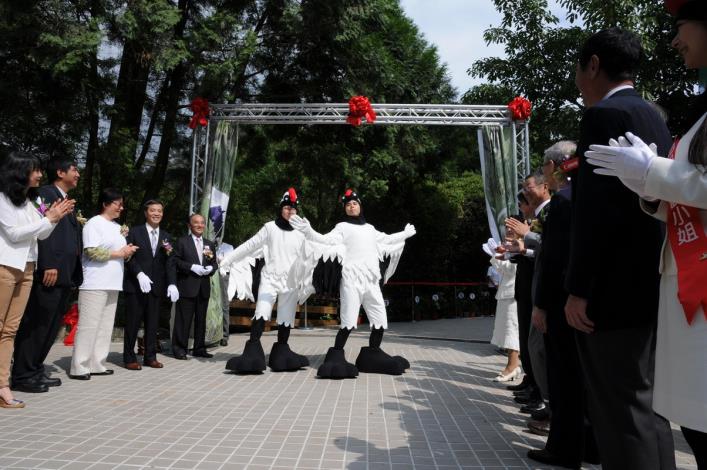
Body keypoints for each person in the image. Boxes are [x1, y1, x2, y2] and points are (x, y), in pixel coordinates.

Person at [585, 2, 707, 466]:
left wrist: (656, 172)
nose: (676, 40)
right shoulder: (695, 111)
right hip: (688, 289)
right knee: (690, 424)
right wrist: (650, 189)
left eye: (682, 26)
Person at [565, 28, 676, 470]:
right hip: (652, 278)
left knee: (618, 410)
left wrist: (579, 288)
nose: (577, 80)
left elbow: (594, 213)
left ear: (593, 65)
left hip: (609, 290)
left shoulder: (601, 118)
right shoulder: (653, 115)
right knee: (648, 406)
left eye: (578, 69)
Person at [290, 189, 415, 378]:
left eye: (354, 203)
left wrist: (404, 234)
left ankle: (373, 354)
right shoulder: (342, 227)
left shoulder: (370, 229)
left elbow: (388, 239)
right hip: (351, 281)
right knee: (348, 322)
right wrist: (309, 231)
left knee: (380, 320)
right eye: (348, 204)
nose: (351, 206)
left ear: (360, 206)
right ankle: (335, 356)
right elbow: (325, 240)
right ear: (345, 209)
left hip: (371, 280)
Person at [527, 141, 599, 468]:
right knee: (585, 377)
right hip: (584, 299)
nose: (545, 175)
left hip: (560, 302)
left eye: (544, 168)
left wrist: (540, 304)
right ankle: (591, 445)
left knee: (563, 378)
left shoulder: (564, 202)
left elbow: (554, 259)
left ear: (555, 167)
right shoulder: (589, 196)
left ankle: (564, 447)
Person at [0, 151, 73, 408]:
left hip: (27, 269)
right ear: (20, 172)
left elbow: (40, 236)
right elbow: (14, 233)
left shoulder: (29, 202)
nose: (40, 175)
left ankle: (2, 387)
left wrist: (52, 219)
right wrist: (49, 219)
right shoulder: (3, 200)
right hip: (6, 267)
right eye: (35, 170)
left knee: (9, 330)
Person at [12, 158, 82, 393]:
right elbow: (45, 230)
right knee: (38, 323)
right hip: (51, 271)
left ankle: (35, 368)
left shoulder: (64, 199)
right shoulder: (45, 194)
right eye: (74, 170)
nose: (78, 174)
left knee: (51, 326)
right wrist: (48, 263)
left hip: (65, 273)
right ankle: (22, 373)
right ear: (60, 172)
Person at [221, 188, 310, 373]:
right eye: (287, 208)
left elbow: (312, 253)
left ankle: (282, 352)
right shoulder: (270, 228)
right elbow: (250, 245)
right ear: (281, 209)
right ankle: (252, 350)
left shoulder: (302, 232)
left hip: (291, 281)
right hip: (270, 278)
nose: (290, 211)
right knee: (261, 312)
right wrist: (227, 260)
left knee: (286, 318)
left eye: (293, 209)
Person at [69, 188, 137, 380]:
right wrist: (119, 253)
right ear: (105, 204)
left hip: (113, 282)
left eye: (122, 205)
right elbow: (91, 252)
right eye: (118, 204)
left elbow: (120, 252)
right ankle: (79, 365)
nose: (121, 208)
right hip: (94, 282)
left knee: (105, 326)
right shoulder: (94, 223)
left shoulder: (117, 227)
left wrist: (128, 251)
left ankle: (97, 363)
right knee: (89, 325)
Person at [122, 200, 179, 370]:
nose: (156, 214)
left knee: (153, 323)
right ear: (146, 213)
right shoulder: (134, 232)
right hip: (136, 284)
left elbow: (170, 262)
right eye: (153, 210)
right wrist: (139, 274)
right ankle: (129, 357)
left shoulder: (166, 236)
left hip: (156, 287)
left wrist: (172, 284)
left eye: (159, 211)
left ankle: (150, 356)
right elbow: (128, 257)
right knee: (133, 322)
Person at [171, 214, 218, 360]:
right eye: (196, 223)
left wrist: (211, 269)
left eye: (202, 223)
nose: (199, 225)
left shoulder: (209, 244)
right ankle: (179, 348)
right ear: (189, 225)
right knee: (183, 320)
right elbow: (175, 261)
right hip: (187, 286)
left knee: (201, 320)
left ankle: (199, 348)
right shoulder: (182, 242)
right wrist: (191, 267)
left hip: (203, 287)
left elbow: (214, 263)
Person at [486, 245, 520, 382]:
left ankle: (511, 367)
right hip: (505, 293)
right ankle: (514, 366)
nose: (508, 232)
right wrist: (496, 255)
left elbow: (512, 269)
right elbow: (500, 269)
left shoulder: (521, 246)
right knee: (504, 330)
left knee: (511, 330)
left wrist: (500, 255)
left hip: (513, 294)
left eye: (511, 228)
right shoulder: (510, 246)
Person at [216, 241, 234, 347]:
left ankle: (224, 335)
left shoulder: (228, 247)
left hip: (223, 276)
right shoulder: (207, 243)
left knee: (224, 305)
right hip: (208, 274)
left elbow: (227, 262)